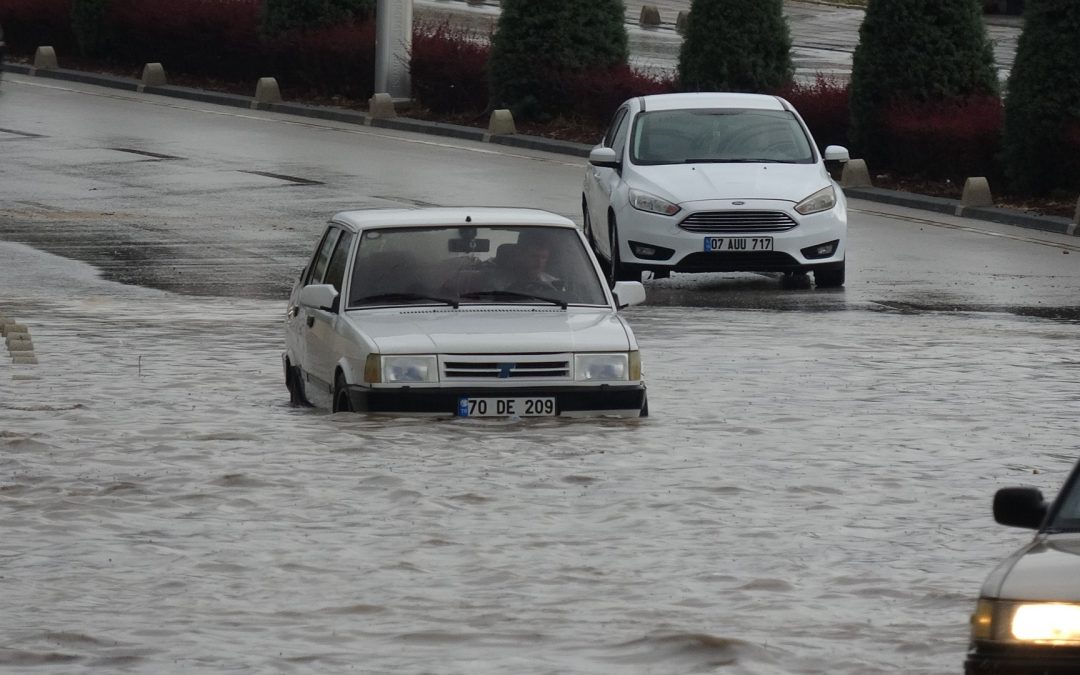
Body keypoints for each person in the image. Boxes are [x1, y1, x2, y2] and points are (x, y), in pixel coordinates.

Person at [494, 231, 564, 294]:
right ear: (522, 256)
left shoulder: (555, 284)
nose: (539, 262)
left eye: (543, 258)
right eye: (534, 256)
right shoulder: (499, 282)